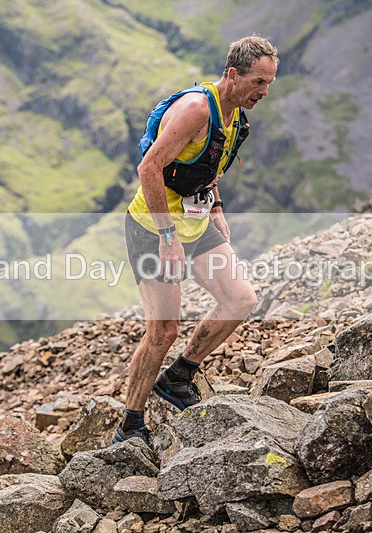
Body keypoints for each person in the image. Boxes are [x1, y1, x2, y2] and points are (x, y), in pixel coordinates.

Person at [113, 35, 279, 445]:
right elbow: (149, 168)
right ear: (232, 74)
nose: (264, 92)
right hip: (154, 228)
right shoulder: (195, 110)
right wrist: (168, 235)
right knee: (163, 331)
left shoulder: (235, 114)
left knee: (240, 299)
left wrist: (217, 208)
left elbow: (209, 163)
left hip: (196, 220)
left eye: (270, 84)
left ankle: (179, 376)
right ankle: (129, 426)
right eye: (259, 82)